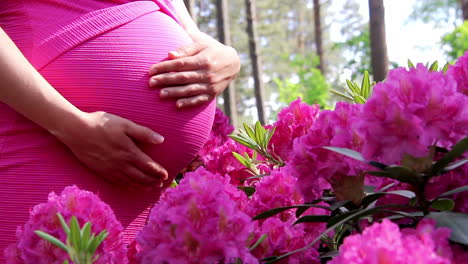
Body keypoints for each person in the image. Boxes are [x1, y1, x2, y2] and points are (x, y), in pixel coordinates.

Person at [0, 0, 240, 260]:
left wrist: (223, 55)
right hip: (40, 144)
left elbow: (178, 20)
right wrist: (69, 126)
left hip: (144, 198)